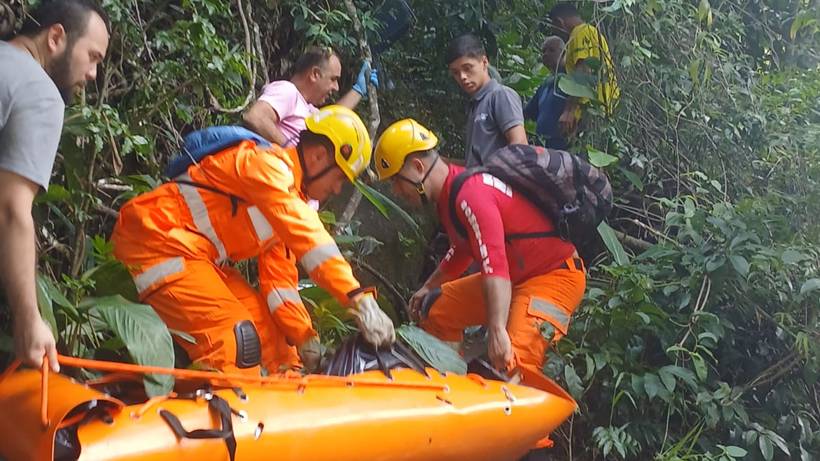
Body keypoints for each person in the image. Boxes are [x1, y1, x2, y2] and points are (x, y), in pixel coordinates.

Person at [111, 106, 395, 374]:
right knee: (236, 340)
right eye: (340, 178)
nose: (336, 188)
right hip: (155, 239)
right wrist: (358, 299)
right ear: (318, 157)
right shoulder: (267, 165)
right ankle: (223, 417)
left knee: (276, 344)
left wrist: (305, 339)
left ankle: (287, 402)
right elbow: (308, 235)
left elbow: (280, 283)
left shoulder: (289, 196)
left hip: (195, 255)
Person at [373, 119, 586, 386]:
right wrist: (429, 286)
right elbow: (463, 250)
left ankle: (528, 423)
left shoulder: (470, 194)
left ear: (417, 168)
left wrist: (497, 330)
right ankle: (450, 389)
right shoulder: (452, 193)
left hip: (554, 276)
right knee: (436, 309)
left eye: (396, 180)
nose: (395, 191)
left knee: (514, 368)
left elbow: (493, 262)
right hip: (514, 278)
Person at [0, 0, 110, 372]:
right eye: (92, 56)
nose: (94, 73)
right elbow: (11, 209)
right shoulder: (39, 92)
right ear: (56, 37)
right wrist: (29, 318)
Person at [242, 46, 378, 147]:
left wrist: (358, 90)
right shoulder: (287, 90)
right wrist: (295, 154)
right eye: (333, 79)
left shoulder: (308, 109)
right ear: (315, 74)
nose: (336, 87)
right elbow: (256, 117)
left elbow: (333, 117)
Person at [445, 34, 528, 166]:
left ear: (484, 62)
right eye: (456, 72)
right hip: (479, 183)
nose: (462, 77)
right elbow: (473, 165)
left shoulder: (500, 95)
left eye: (467, 68)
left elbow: (520, 146)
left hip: (497, 184)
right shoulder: (474, 105)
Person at [549, 2, 620, 137]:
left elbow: (582, 72)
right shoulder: (589, 32)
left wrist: (569, 111)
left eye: (554, 28)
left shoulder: (580, 32)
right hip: (602, 108)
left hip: (592, 109)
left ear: (559, 22)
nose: (555, 32)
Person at [524, 36, 570, 150]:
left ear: (564, 53)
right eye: (543, 51)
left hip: (564, 145)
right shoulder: (545, 84)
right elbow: (528, 112)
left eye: (551, 50)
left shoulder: (571, 80)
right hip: (543, 145)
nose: (546, 54)